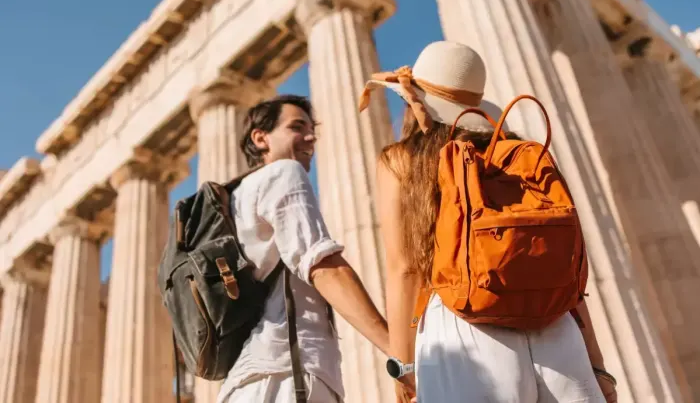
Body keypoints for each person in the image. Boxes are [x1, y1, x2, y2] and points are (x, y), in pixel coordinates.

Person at [361, 41, 617, 402]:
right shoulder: (519, 157)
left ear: (412, 103)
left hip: (464, 332)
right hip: (557, 333)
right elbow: (564, 267)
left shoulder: (402, 161)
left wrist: (403, 367)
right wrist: (597, 365)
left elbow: (403, 268)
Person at [216, 94, 389, 403]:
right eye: (297, 127)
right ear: (261, 138)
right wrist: (399, 353)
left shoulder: (237, 197)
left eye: (312, 129)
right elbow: (323, 268)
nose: (311, 137)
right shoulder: (284, 172)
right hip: (285, 375)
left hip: (246, 381)